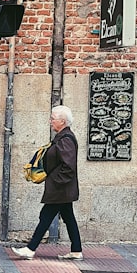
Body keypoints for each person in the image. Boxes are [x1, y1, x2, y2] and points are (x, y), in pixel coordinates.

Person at [13, 105, 83, 260]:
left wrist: (55, 182)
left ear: (62, 121)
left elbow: (68, 166)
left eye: (53, 118)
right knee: (68, 217)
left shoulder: (65, 140)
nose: (50, 121)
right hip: (62, 188)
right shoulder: (62, 137)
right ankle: (76, 250)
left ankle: (30, 249)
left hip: (60, 189)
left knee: (46, 216)